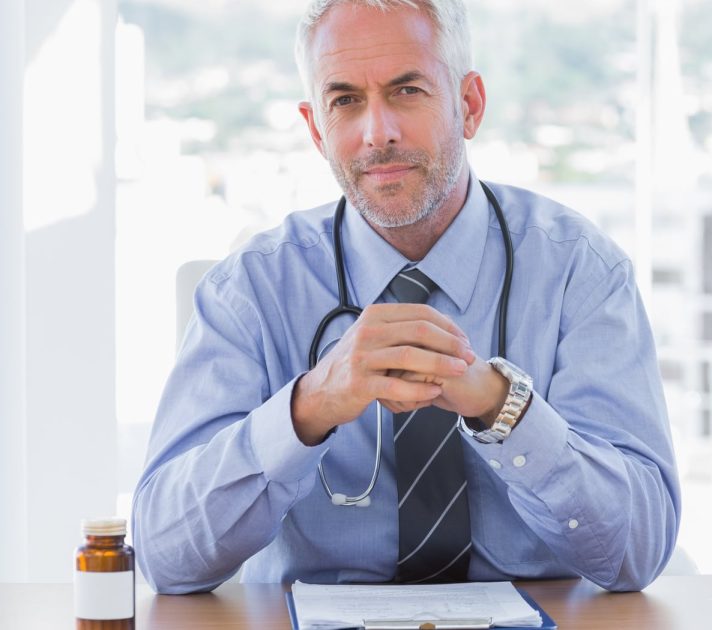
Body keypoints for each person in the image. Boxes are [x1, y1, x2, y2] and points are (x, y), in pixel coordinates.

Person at [132, 0, 680, 594]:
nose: (378, 133)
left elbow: (636, 552)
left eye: (407, 91)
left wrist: (505, 409)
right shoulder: (251, 289)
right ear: (317, 128)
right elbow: (164, 555)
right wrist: (309, 407)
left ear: (468, 106)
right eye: (344, 101)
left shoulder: (580, 272)